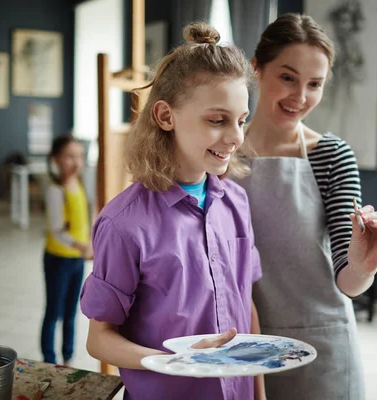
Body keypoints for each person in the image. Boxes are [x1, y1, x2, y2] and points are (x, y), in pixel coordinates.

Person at [80, 22, 266, 400]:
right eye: (217, 120)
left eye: (241, 120)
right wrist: (172, 362)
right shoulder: (124, 224)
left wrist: (259, 393)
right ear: (166, 117)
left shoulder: (236, 203)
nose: (235, 137)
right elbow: (100, 341)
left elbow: (244, 306)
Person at [233, 13, 377, 399]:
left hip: (321, 350)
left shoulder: (331, 156)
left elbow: (349, 280)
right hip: (239, 343)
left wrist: (363, 264)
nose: (300, 97)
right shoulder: (222, 152)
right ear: (256, 68)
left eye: (315, 84)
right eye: (287, 77)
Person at [40, 135, 92, 366]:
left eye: (79, 156)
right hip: (58, 259)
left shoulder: (79, 185)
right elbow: (57, 230)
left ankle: (68, 358)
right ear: (56, 160)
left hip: (76, 260)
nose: (76, 162)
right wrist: (82, 246)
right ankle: (50, 360)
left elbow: (81, 223)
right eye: (70, 156)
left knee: (71, 313)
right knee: (54, 312)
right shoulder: (55, 190)